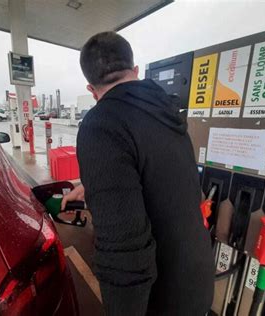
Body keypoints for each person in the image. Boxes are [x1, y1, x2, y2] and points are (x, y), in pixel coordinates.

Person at [62, 32, 214, 315]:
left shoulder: (102, 123)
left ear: (91, 89)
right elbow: (158, 173)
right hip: (197, 279)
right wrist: (94, 186)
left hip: (162, 298)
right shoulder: (166, 110)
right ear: (135, 71)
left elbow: (123, 250)